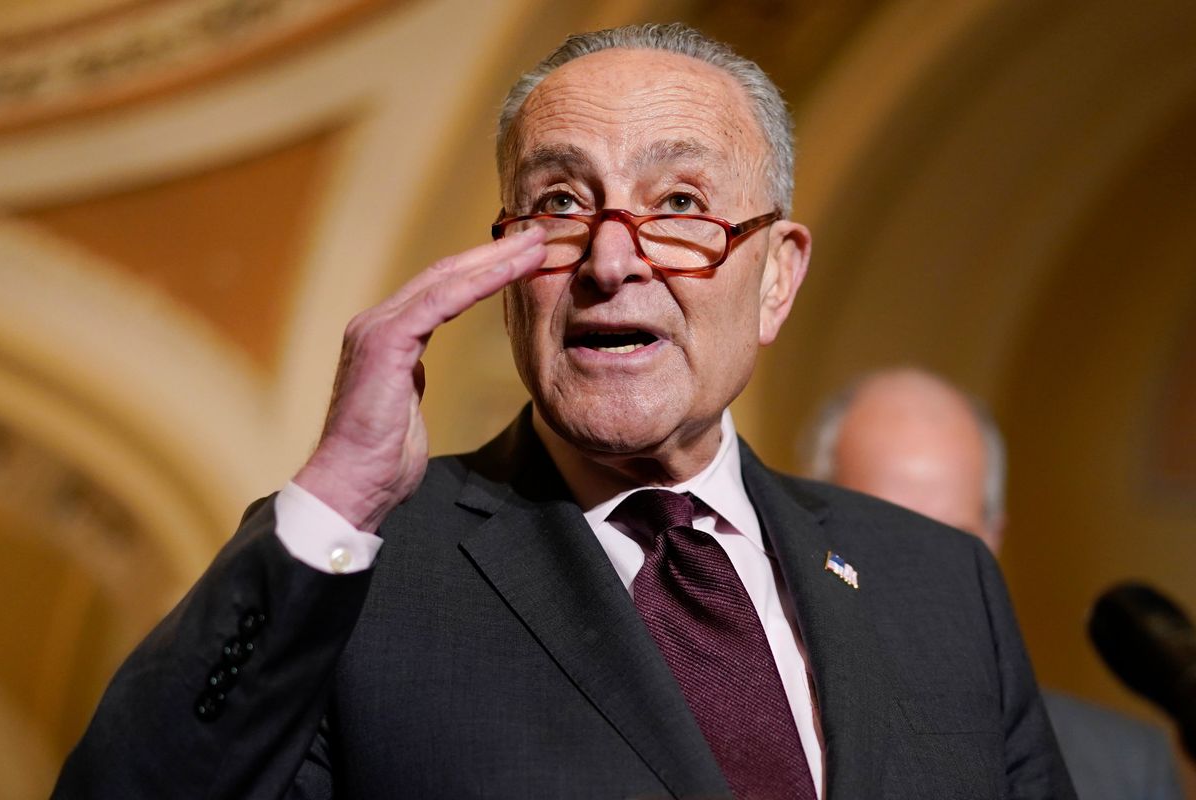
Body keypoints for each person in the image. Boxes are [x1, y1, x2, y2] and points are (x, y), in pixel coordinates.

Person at [54, 25, 1074, 799]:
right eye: (559, 205)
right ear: (506, 267)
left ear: (776, 277)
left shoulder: (941, 585)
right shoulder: (359, 571)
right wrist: (339, 494)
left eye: (679, 205)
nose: (610, 259)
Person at [805, 366, 1183, 800]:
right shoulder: (766, 734)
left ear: (994, 541)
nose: (920, 575)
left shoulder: (1125, 766)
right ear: (810, 533)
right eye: (884, 534)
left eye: (953, 542)